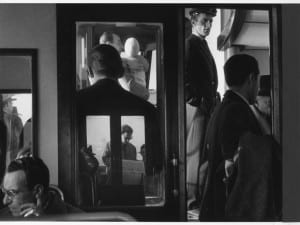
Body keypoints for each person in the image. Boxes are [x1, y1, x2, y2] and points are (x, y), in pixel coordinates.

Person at [77, 44, 163, 178]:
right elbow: (156, 164)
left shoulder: (75, 104)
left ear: (89, 71)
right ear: (120, 71)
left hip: (87, 191)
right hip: (134, 192)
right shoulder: (147, 109)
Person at [199, 54, 262, 221]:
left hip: (216, 205)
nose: (259, 87)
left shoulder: (223, 107)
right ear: (251, 78)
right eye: (258, 80)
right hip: (228, 209)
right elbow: (235, 165)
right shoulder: (237, 110)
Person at [185, 7, 219, 209]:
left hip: (205, 107)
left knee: (203, 155)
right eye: (205, 20)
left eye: (211, 22)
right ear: (193, 21)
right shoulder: (190, 45)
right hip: (197, 108)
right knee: (194, 154)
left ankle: (198, 198)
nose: (208, 25)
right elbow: (184, 78)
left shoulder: (201, 44)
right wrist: (196, 101)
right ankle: (191, 201)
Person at [0, 155, 82, 218]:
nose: (5, 201)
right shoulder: (2, 216)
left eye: (11, 193)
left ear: (38, 191)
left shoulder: (79, 219)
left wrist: (43, 221)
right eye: (4, 191)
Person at [2, 94, 23, 166]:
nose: (12, 106)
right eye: (11, 103)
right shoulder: (11, 119)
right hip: (9, 155)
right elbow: (13, 139)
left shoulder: (6, 118)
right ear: (7, 104)